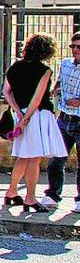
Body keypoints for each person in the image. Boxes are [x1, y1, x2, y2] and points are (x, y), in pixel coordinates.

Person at [3, 33, 69, 213]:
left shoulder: (15, 66)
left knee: (23, 156)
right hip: (37, 116)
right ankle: (30, 198)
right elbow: (38, 99)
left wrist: (18, 113)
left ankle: (11, 192)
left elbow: (6, 91)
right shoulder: (44, 70)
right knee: (34, 158)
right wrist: (26, 120)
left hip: (20, 113)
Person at [44, 32, 80, 214]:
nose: (75, 50)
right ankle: (52, 195)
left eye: (78, 47)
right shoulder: (66, 64)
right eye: (72, 46)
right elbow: (60, 81)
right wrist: (55, 88)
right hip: (64, 118)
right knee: (56, 160)